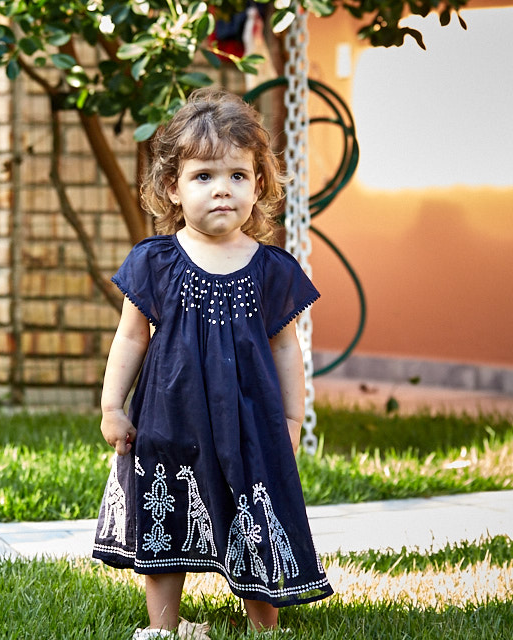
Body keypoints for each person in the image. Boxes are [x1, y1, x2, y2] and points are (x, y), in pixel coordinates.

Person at [92, 87, 332, 637]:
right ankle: (162, 626)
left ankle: (263, 624)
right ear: (172, 187)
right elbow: (130, 339)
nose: (221, 189)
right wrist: (111, 406)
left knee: (257, 515)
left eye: (237, 176)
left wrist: (293, 419)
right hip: (169, 418)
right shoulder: (154, 261)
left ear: (259, 186)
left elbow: (283, 347)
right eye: (203, 176)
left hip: (249, 421)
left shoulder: (272, 269)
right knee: (166, 514)